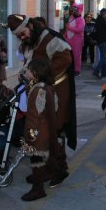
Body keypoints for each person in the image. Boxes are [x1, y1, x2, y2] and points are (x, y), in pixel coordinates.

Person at [7, 14, 76, 188]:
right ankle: (44, 170)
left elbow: (66, 59)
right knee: (43, 132)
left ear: (30, 26)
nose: (22, 38)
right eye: (19, 37)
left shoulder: (50, 39)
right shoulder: (31, 41)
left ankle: (60, 170)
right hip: (41, 92)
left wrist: (40, 75)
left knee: (55, 130)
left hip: (56, 93)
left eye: (23, 34)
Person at [20, 58, 58, 201]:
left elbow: (33, 116)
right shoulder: (48, 87)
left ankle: (38, 189)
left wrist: (30, 135)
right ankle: (44, 177)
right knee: (42, 158)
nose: (27, 72)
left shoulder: (37, 91)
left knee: (36, 161)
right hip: (46, 131)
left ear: (35, 73)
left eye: (29, 70)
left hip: (37, 133)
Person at [64, 4, 85, 76]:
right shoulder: (71, 17)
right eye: (73, 10)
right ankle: (70, 69)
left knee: (76, 55)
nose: (74, 12)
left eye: (76, 10)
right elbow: (67, 28)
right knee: (69, 55)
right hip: (69, 39)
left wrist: (69, 28)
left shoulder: (81, 20)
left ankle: (77, 70)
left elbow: (79, 29)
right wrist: (65, 36)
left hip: (77, 40)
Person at [92, 8, 106, 79]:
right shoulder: (102, 20)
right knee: (104, 58)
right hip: (103, 41)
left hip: (100, 41)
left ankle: (104, 72)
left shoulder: (98, 20)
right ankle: (96, 71)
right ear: (104, 14)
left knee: (103, 56)